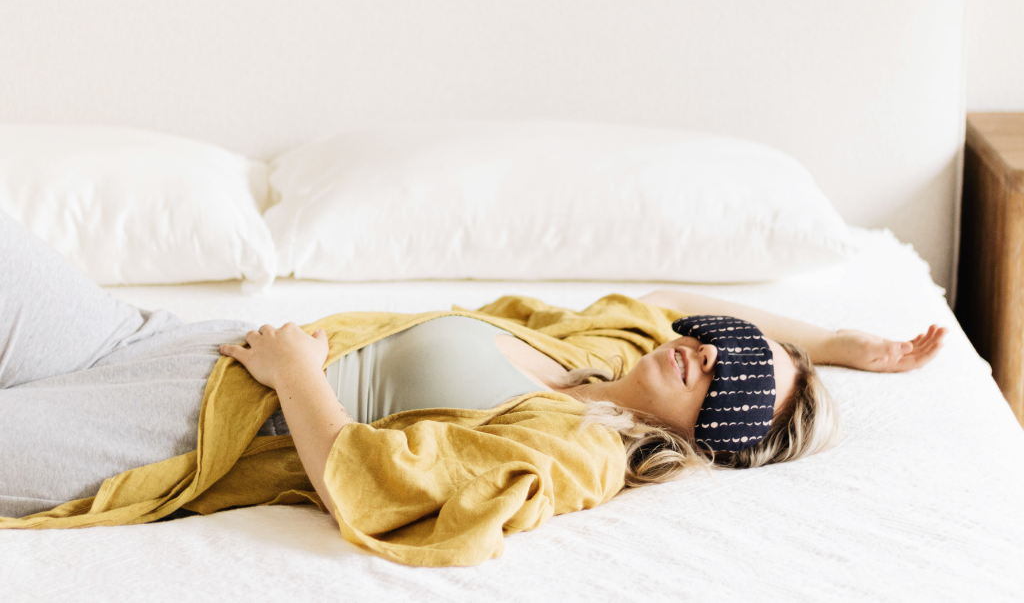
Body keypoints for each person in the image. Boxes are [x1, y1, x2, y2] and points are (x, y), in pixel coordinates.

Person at [0, 213, 946, 565]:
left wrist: (294, 372)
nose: (709, 358)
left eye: (736, 384)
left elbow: (376, 491)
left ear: (711, 436)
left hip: (183, 424)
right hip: (160, 337)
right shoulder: (598, 345)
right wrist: (833, 343)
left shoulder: (575, 448)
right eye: (726, 346)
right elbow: (665, 298)